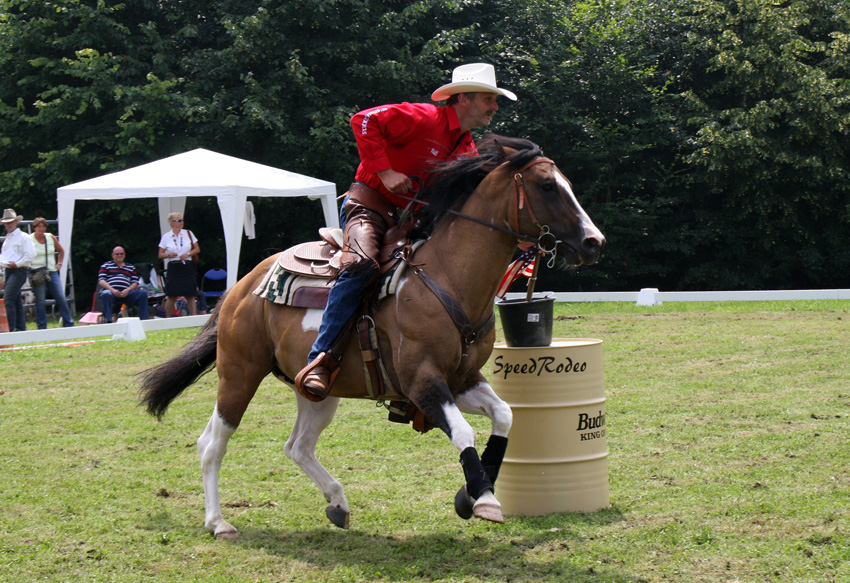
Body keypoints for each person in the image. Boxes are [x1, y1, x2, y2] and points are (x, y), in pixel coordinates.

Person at [295, 63, 517, 398]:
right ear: (464, 99)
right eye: (489, 98)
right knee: (361, 265)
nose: (495, 107)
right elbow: (363, 120)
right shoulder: (421, 116)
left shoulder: (467, 149)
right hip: (368, 206)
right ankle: (321, 360)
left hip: (410, 220)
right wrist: (384, 172)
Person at [29, 217, 74, 328]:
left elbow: (61, 250)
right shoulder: (29, 239)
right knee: (40, 301)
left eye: (43, 226)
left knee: (61, 297)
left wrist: (59, 263)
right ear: (34, 227)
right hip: (37, 273)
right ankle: (42, 326)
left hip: (52, 271)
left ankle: (69, 323)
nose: (41, 228)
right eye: (39, 226)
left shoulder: (50, 237)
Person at [157, 212, 200, 317]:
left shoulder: (188, 233)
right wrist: (168, 255)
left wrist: (188, 254)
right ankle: (168, 319)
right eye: (179, 220)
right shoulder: (166, 237)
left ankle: (193, 317)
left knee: (190, 293)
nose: (182, 222)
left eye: (182, 220)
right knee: (172, 294)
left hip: (186, 265)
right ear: (172, 223)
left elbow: (197, 249)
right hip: (174, 266)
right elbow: (160, 254)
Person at [1, 208, 36, 331]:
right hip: (9, 271)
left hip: (19, 270)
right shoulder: (8, 239)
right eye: (6, 223)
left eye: (10, 222)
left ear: (16, 222)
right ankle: (20, 328)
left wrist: (17, 264)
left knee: (8, 299)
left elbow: (30, 255)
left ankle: (10, 328)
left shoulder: (24, 237)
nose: (8, 225)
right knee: (16, 301)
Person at [97, 246, 149, 322]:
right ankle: (109, 321)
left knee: (143, 293)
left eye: (121, 254)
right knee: (105, 294)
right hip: (111, 292)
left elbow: (135, 282)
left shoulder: (130, 267)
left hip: (126, 292)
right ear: (112, 255)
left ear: (124, 255)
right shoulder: (106, 265)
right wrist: (113, 290)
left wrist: (128, 290)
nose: (119, 255)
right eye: (117, 254)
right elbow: (101, 281)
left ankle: (145, 320)